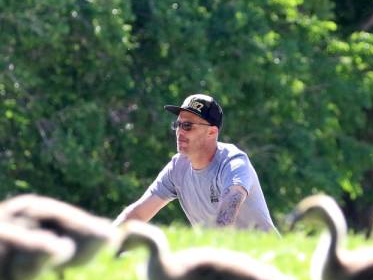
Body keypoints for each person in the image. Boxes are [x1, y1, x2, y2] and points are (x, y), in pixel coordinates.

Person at [114, 93, 278, 233]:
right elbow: (137, 215)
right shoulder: (177, 168)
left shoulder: (233, 161)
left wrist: (212, 247)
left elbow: (231, 201)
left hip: (267, 260)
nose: (180, 131)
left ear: (212, 132)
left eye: (187, 125)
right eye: (177, 124)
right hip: (221, 259)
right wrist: (103, 248)